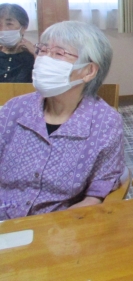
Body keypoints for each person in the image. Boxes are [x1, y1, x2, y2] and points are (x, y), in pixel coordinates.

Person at [0, 21, 124, 219]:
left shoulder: (105, 122)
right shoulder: (14, 109)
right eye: (42, 50)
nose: (44, 60)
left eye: (58, 53)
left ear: (89, 71)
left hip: (56, 226)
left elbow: (98, 192)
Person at [0, 3, 36, 82]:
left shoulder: (33, 57)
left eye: (9, 24)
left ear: (24, 27)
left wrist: (36, 55)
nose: (3, 29)